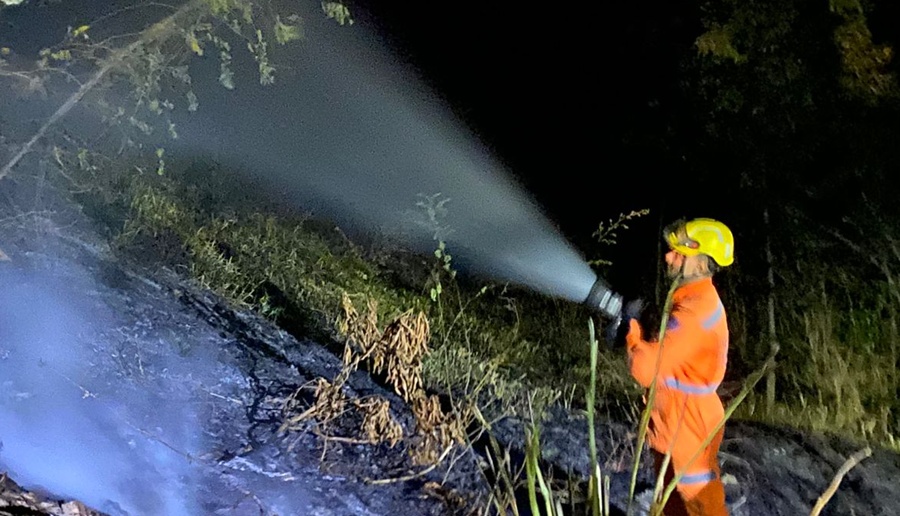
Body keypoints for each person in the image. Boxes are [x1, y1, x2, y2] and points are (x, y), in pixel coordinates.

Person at [625, 217, 734, 516]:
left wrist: (632, 334)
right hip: (678, 419)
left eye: (679, 253)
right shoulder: (693, 298)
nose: (668, 256)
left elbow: (647, 369)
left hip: (687, 426)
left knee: (700, 504)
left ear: (700, 264)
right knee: (671, 503)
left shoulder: (695, 310)